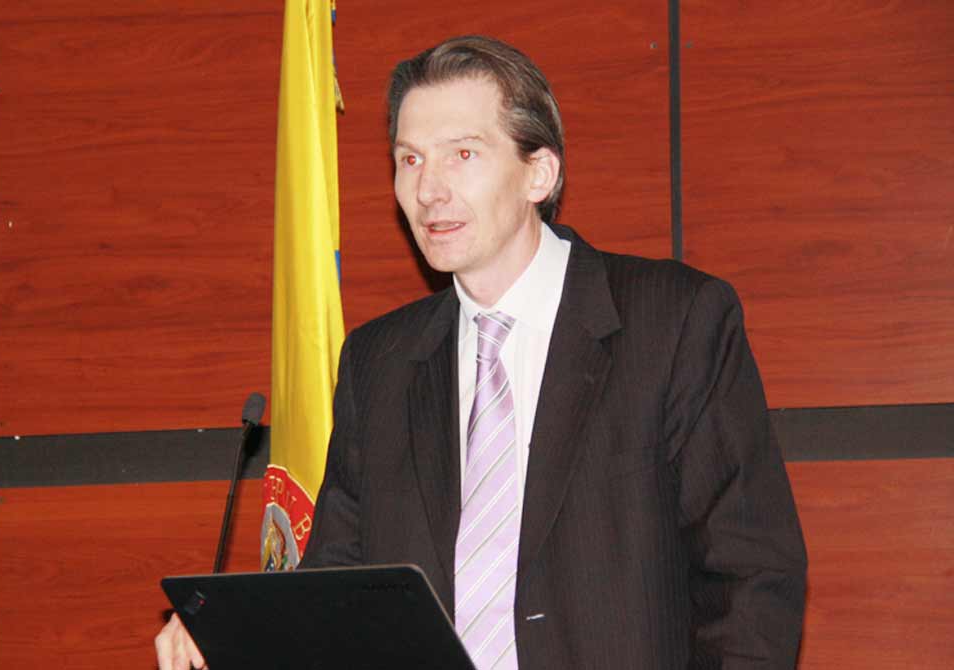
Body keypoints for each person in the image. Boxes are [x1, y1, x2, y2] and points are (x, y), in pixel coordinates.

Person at [157, 35, 807, 670]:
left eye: (462, 154)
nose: (429, 190)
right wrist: (230, 630)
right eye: (410, 159)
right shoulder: (378, 362)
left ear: (539, 173)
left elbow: (752, 577)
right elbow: (339, 586)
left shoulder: (674, 321)